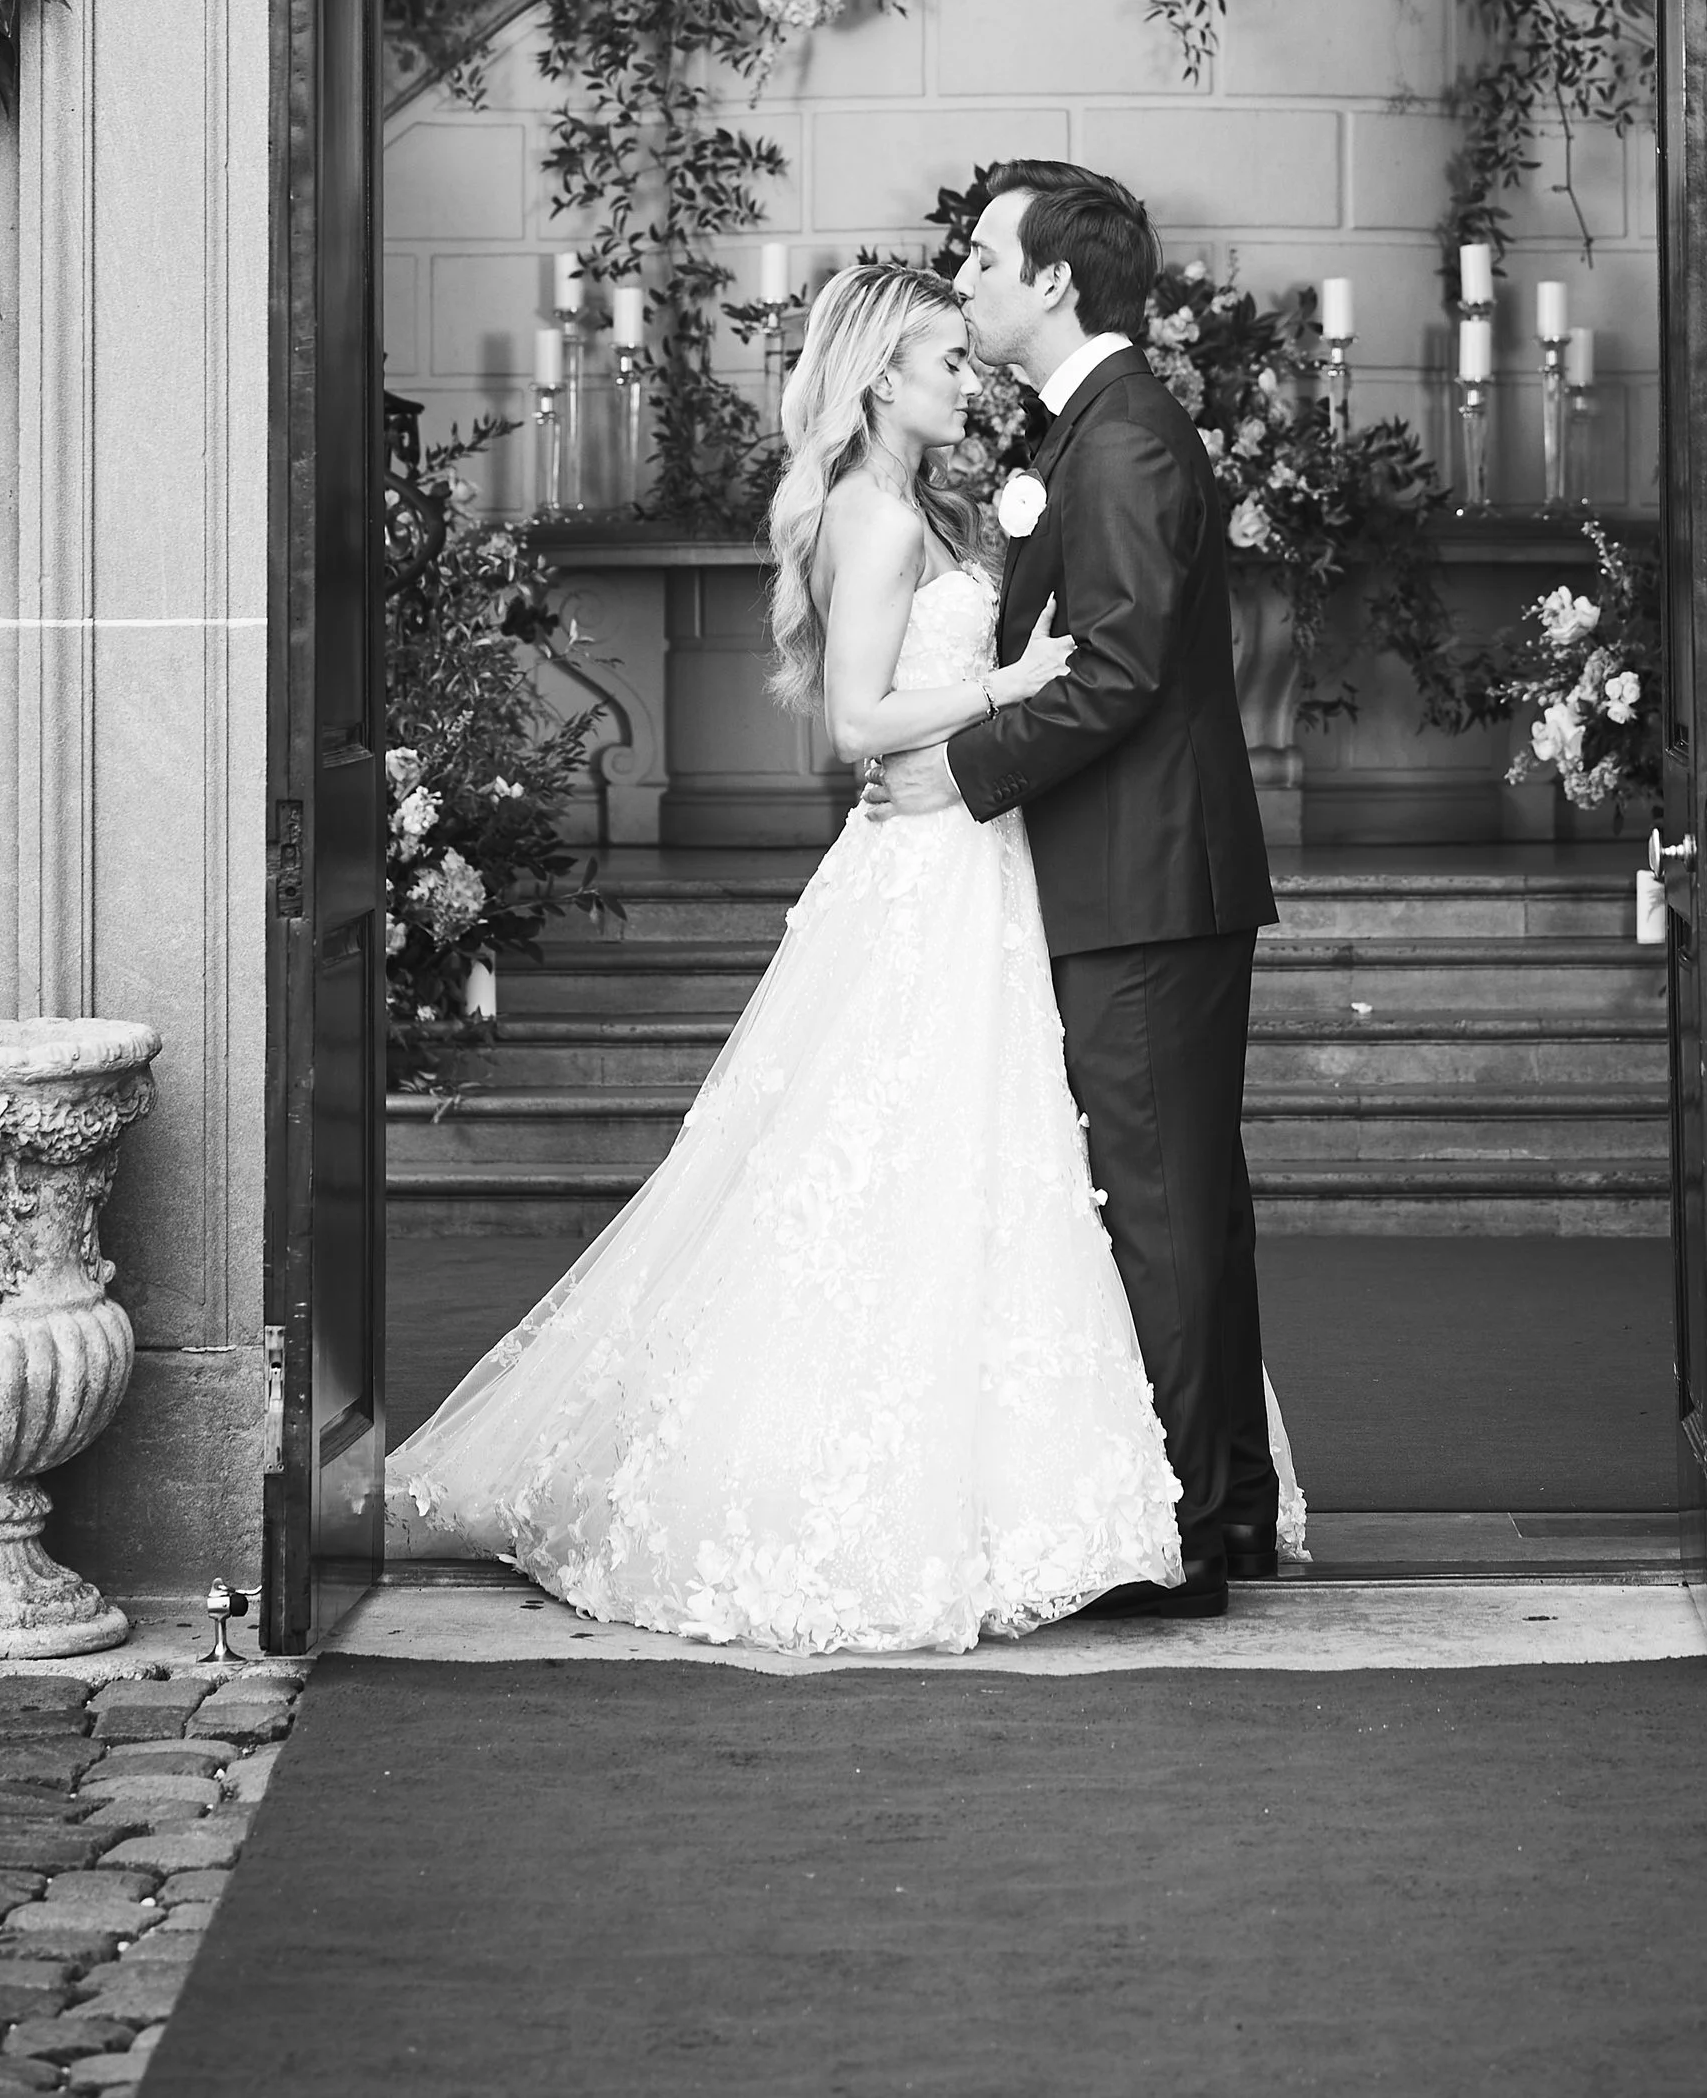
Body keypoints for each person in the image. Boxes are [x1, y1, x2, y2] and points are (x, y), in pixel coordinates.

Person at [383, 261, 1203, 1654]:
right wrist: (1014, 683)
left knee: (965, 1156)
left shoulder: (927, 501)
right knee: (888, 1152)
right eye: (947, 358)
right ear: (884, 375)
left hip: (970, 851)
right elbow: (855, 721)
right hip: (926, 860)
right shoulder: (872, 516)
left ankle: (1008, 1484)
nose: (969, 378)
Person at [881, 161, 1285, 1619]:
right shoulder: (1092, 429)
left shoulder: (1127, 443)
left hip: (1145, 886)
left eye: (985, 255)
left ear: (1056, 278)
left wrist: (962, 767)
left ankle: (1177, 1539)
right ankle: (1222, 1506)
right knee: (1185, 1205)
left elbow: (1115, 670)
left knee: (1161, 1211)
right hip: (1132, 878)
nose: (965, 275)